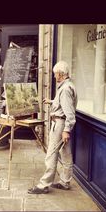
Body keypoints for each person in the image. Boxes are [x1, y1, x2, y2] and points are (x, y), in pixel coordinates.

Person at [28, 61, 77, 194]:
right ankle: (65, 182)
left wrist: (66, 130)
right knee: (66, 154)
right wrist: (52, 101)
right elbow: (64, 105)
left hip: (61, 125)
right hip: (62, 124)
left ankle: (44, 185)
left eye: (55, 74)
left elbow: (70, 114)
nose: (54, 76)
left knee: (51, 154)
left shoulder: (65, 89)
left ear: (61, 74)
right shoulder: (68, 85)